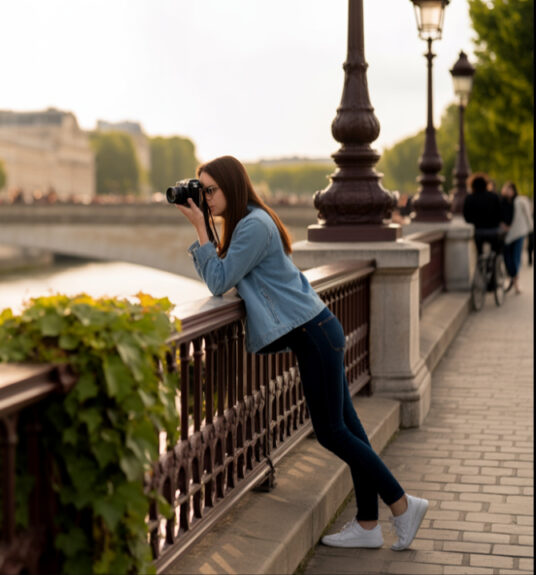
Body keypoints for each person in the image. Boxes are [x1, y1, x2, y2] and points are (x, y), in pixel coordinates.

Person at [174, 155, 429, 551]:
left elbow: (219, 281)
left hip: (313, 333)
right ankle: (367, 524)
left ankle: (402, 504)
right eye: (201, 190)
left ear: (231, 186)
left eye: (211, 190)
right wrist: (207, 228)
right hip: (318, 330)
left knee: (331, 432)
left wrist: (199, 231)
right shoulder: (248, 222)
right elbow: (225, 277)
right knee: (350, 431)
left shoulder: (253, 226)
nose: (205, 198)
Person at [463, 174, 506, 287]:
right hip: (492, 231)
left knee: (480, 254)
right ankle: (493, 274)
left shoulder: (469, 198)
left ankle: (482, 271)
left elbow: (466, 217)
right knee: (496, 251)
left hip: (478, 232)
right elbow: (500, 214)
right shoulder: (493, 196)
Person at [501, 181, 533, 294]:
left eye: (509, 189)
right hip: (507, 235)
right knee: (507, 257)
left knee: (516, 258)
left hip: (519, 232)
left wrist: (530, 228)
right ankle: (512, 278)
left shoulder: (520, 200)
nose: (507, 191)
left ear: (513, 190)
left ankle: (516, 283)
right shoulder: (503, 201)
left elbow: (528, 215)